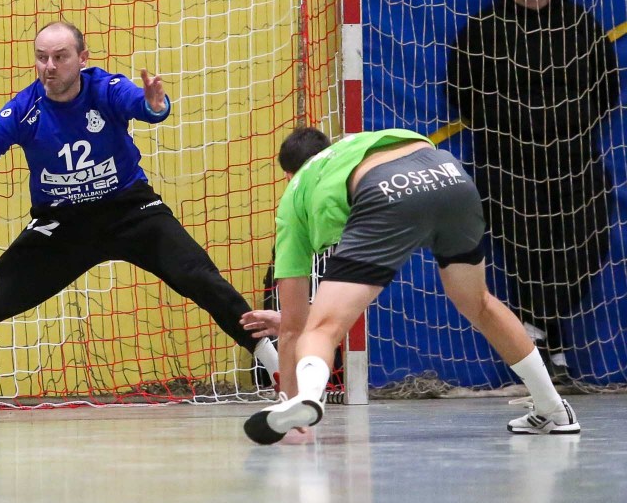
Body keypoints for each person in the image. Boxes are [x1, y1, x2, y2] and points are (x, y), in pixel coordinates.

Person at [0, 22, 279, 410]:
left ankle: (279, 368)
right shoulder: (23, 110)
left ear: (82, 58)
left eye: (60, 56)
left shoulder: (105, 88)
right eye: (42, 57)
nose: (49, 66)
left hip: (130, 211)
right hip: (62, 226)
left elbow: (143, 105)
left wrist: (154, 105)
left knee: (201, 278)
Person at [242, 127, 579, 445]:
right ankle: (553, 409)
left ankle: (306, 399)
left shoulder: (296, 193)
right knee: (479, 303)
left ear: (288, 175)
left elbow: (293, 328)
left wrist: (288, 394)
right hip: (450, 176)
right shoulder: (360, 143)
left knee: (322, 329)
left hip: (384, 190)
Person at [448, 0, 619, 383]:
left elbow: (606, 86)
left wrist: (566, 123)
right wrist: (510, 126)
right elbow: (461, 90)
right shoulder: (483, 29)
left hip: (572, 157)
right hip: (507, 162)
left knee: (587, 245)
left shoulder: (578, 22)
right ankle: (548, 357)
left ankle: (536, 328)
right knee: (524, 257)